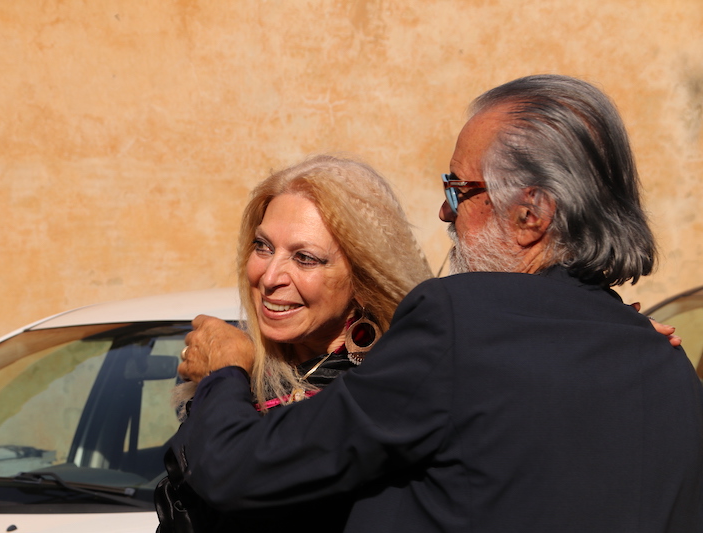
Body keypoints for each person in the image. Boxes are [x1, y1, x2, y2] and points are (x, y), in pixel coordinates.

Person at [167, 74, 703, 532]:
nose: (445, 213)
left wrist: (225, 371)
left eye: (457, 190)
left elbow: (241, 467)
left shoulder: (460, 321)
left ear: (530, 215)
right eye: (262, 246)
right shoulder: (668, 368)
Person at [155, 154, 433, 532]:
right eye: (263, 246)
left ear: (365, 277)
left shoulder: (393, 383)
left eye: (305, 258)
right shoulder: (232, 370)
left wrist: (225, 373)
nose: (270, 277)